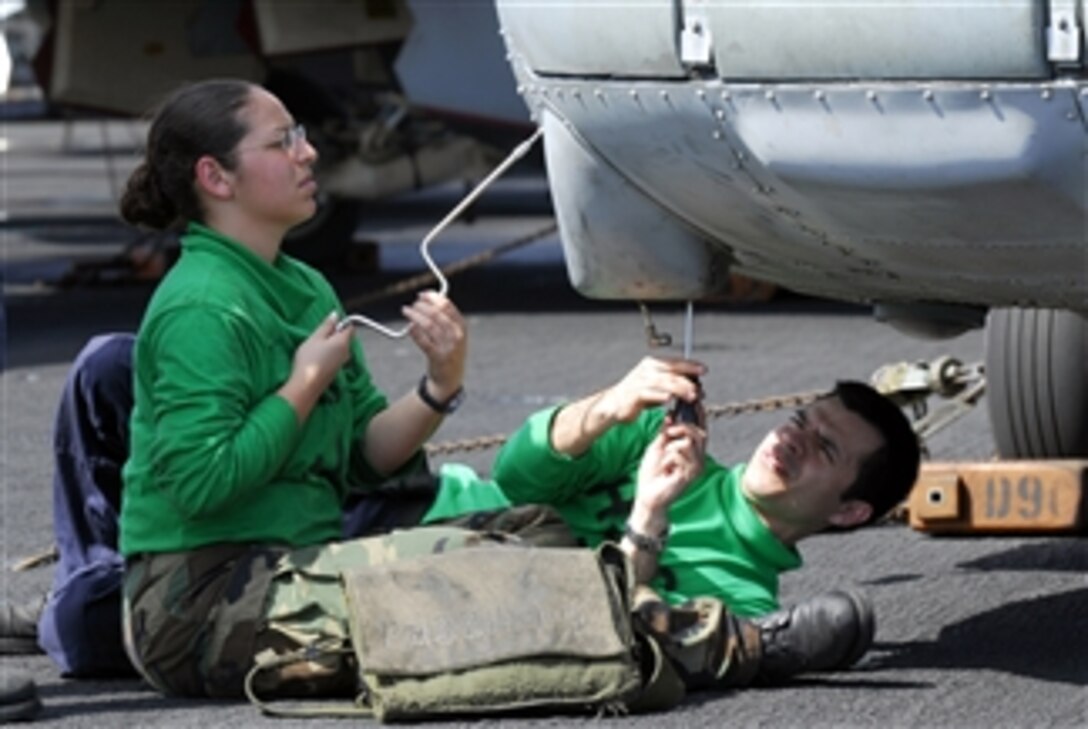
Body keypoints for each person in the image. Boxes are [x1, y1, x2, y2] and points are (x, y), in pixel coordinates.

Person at [102, 77, 468, 698]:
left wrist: (440, 381)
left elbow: (366, 457)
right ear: (216, 178)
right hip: (195, 600)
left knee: (527, 538)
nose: (309, 153)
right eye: (282, 142)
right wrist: (303, 383)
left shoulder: (303, 285)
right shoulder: (202, 306)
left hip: (293, 567)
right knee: (469, 582)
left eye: (300, 136)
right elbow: (201, 484)